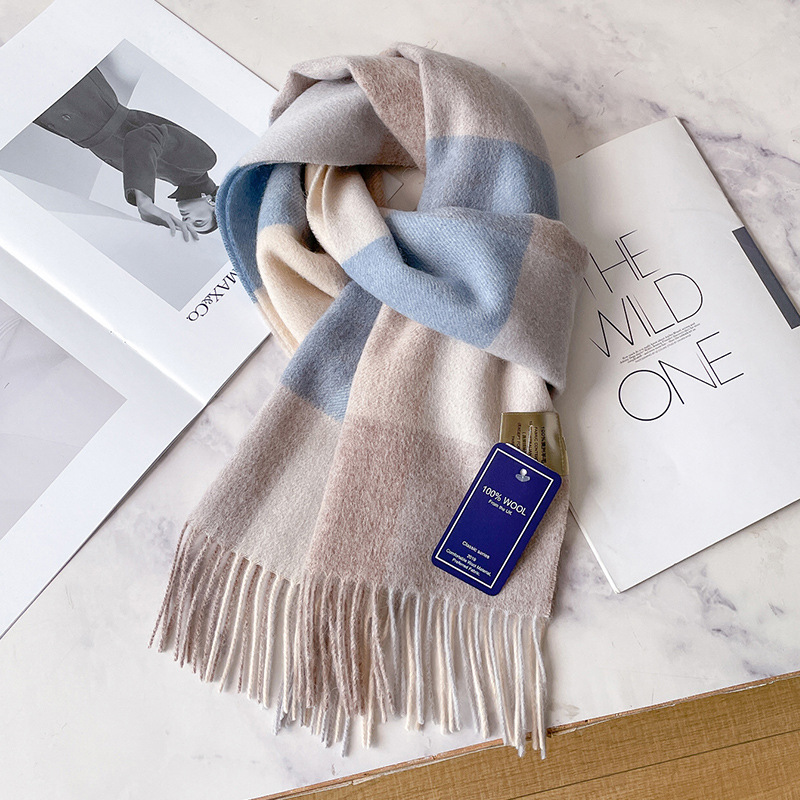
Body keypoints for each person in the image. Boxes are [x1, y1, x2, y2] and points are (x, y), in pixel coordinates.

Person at [34, 67, 218, 242]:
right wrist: (144, 201)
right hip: (85, 103)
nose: (187, 221)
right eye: (199, 222)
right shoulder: (204, 161)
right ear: (213, 202)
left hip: (73, 123)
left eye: (189, 224)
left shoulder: (179, 177)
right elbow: (144, 137)